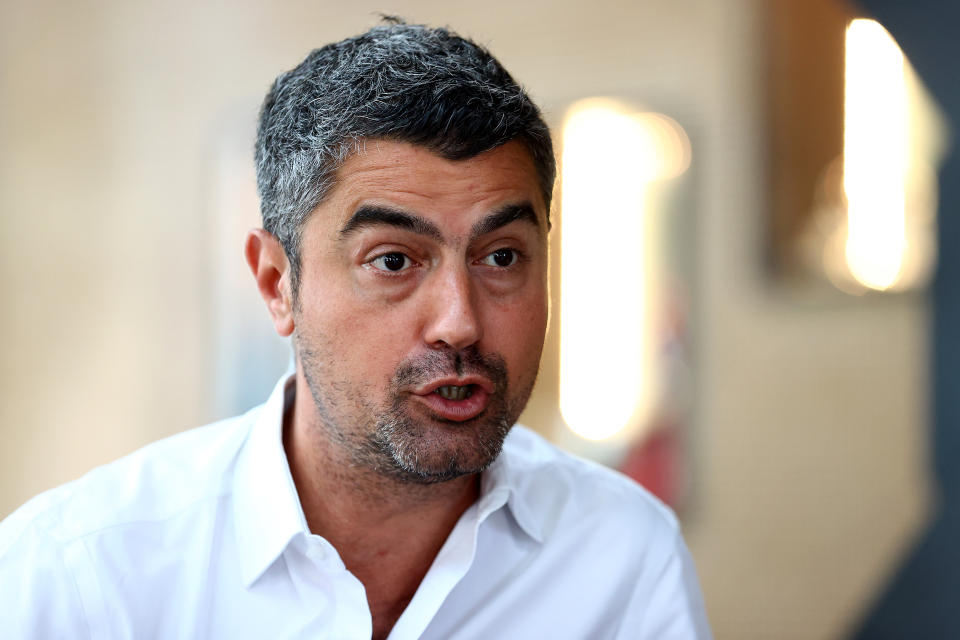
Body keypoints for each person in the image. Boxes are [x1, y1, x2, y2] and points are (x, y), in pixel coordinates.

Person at [0, 20, 711, 639]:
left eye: (501, 257)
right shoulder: (80, 576)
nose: (459, 322)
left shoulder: (621, 558)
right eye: (394, 261)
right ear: (279, 283)